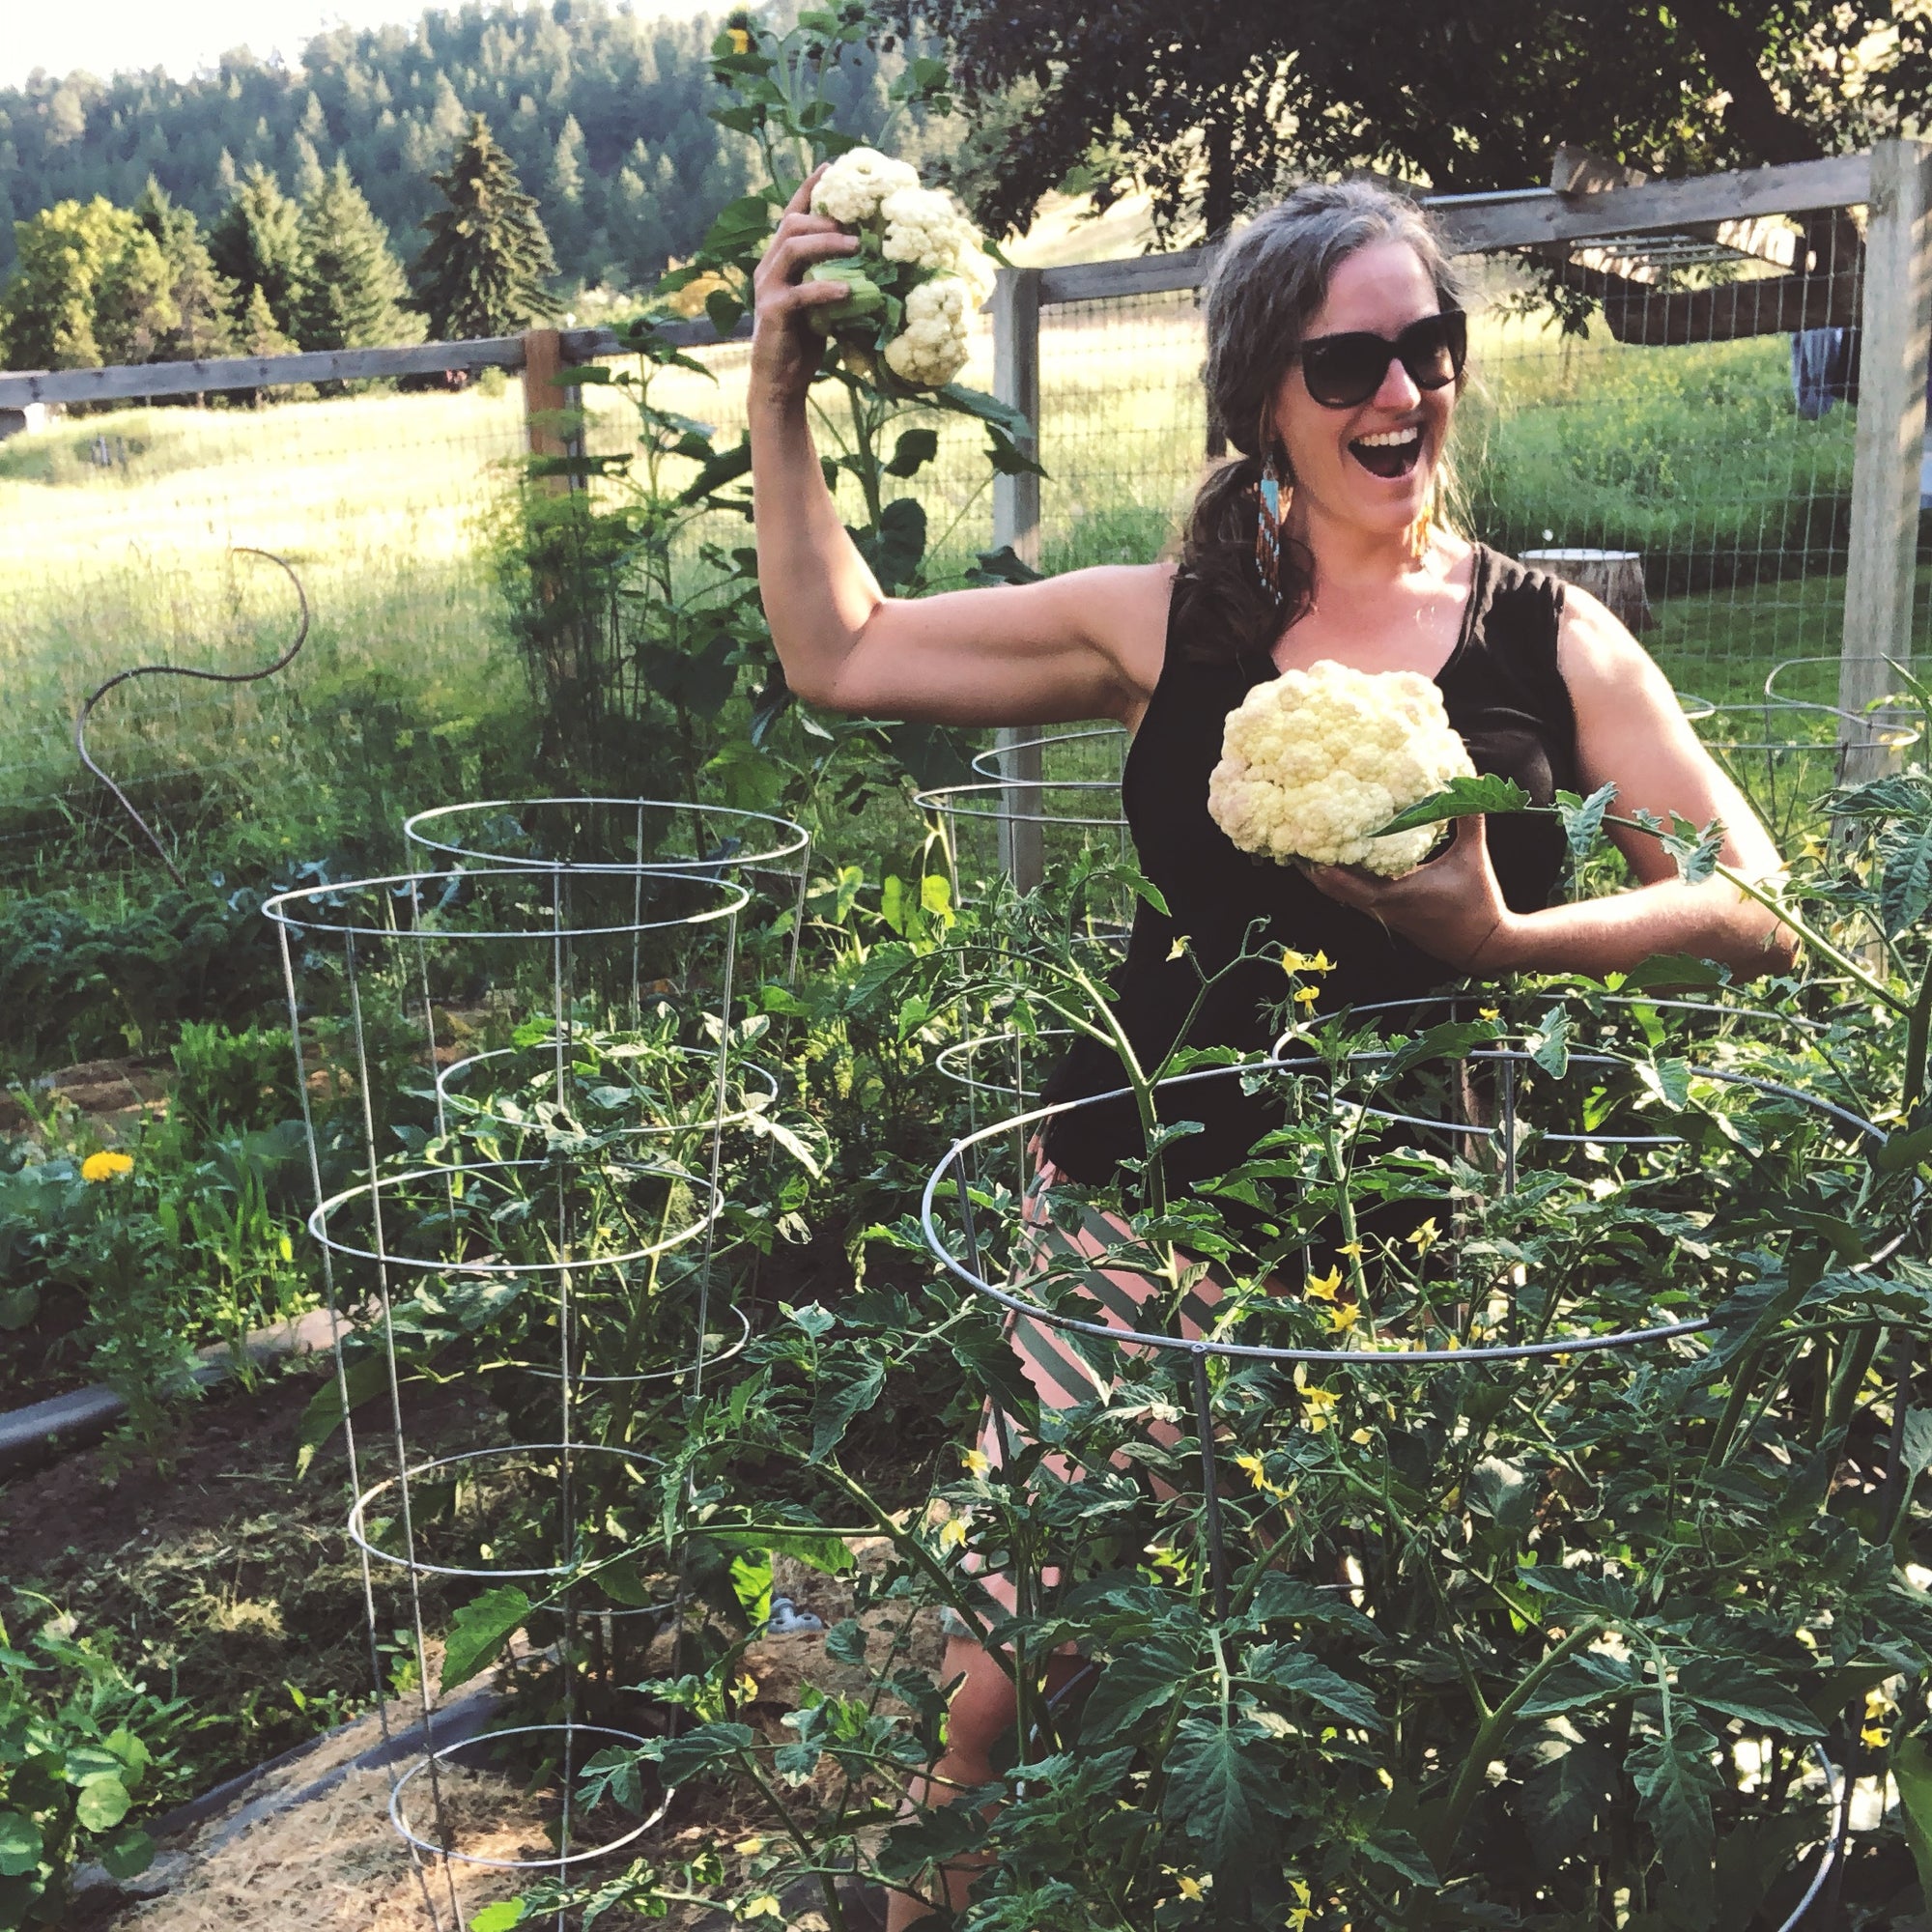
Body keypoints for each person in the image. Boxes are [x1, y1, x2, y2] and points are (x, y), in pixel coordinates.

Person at [749, 174, 1796, 1927]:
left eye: (1428, 348)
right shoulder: (1165, 621)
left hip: (1426, 1232)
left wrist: (1508, 944)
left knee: (1356, 1696)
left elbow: (1757, 899)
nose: (1401, 394)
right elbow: (839, 652)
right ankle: (920, 1865)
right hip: (1140, 1198)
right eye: (1347, 364)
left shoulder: (1543, 637)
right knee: (1010, 1659)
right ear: (1260, 402)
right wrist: (779, 400)